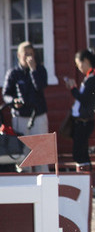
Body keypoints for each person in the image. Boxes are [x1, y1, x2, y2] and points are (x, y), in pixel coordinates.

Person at [2, 42, 49, 172]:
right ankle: (26, 182)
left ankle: (44, 182)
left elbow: (40, 86)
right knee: (23, 155)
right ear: (18, 55)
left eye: (31, 54)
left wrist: (33, 70)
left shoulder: (40, 69)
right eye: (25, 54)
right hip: (20, 116)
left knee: (42, 152)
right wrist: (13, 101)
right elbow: (6, 94)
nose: (29, 57)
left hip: (38, 115)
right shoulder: (13, 73)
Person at [64, 48, 95, 172]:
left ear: (86, 61)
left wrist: (73, 88)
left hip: (85, 121)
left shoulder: (94, 79)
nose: (79, 68)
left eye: (79, 64)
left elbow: (85, 99)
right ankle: (86, 179)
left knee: (79, 152)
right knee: (81, 151)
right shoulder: (90, 78)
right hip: (81, 120)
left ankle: (86, 179)